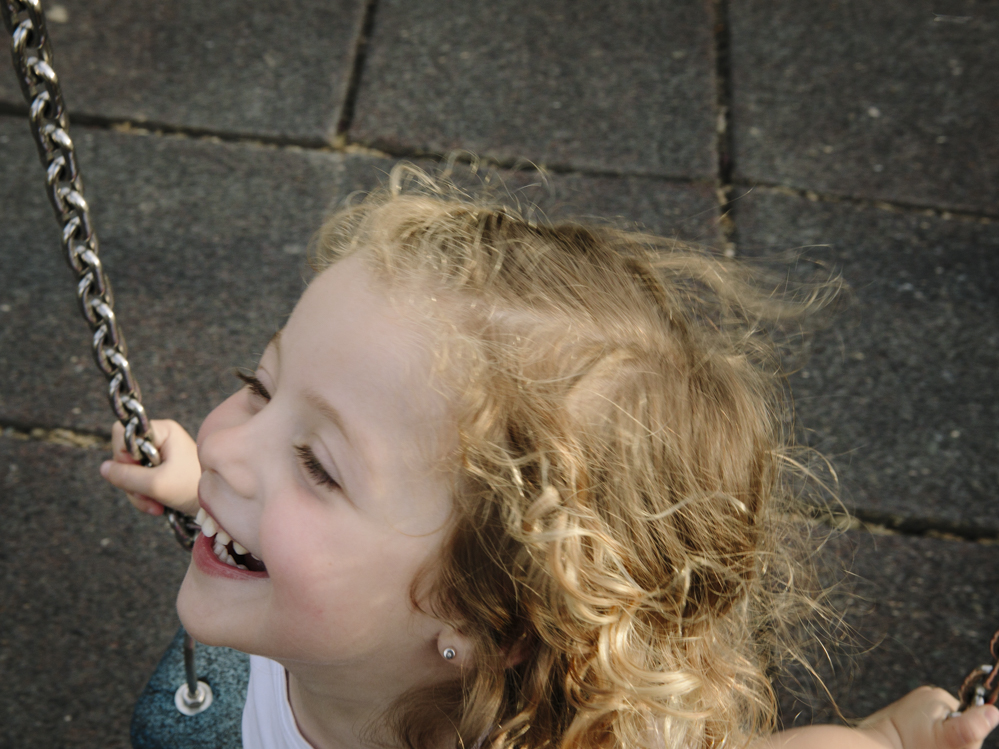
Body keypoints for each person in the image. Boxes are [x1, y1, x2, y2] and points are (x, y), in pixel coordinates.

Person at [100, 165, 999, 749]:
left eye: (320, 466)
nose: (222, 442)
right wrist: (190, 487)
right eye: (258, 385)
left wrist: (879, 742)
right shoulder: (326, 590)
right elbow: (224, 467)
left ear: (487, 614)